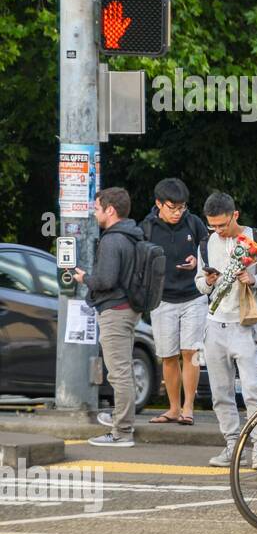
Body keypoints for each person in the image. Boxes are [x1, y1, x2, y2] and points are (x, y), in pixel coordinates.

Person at [195, 192, 257, 470]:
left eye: (222, 225)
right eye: (213, 226)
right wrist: (207, 282)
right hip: (214, 322)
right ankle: (233, 445)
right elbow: (199, 283)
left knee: (253, 388)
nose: (218, 231)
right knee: (220, 391)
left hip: (245, 323)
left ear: (235, 215)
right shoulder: (207, 244)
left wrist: (253, 279)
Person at [76, 188, 144, 447]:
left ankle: (122, 432)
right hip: (128, 308)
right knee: (123, 370)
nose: (95, 213)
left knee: (118, 373)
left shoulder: (112, 240)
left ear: (110, 210)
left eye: (97, 208)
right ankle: (121, 419)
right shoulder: (132, 236)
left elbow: (105, 280)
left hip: (115, 310)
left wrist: (85, 279)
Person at [139, 178, 209, 426]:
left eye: (182, 207)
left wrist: (198, 262)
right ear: (158, 203)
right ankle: (173, 408)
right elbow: (140, 262)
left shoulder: (194, 222)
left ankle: (188, 408)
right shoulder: (146, 228)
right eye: (172, 207)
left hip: (194, 296)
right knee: (168, 355)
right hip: (162, 299)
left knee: (190, 352)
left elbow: (210, 249)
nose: (178, 212)